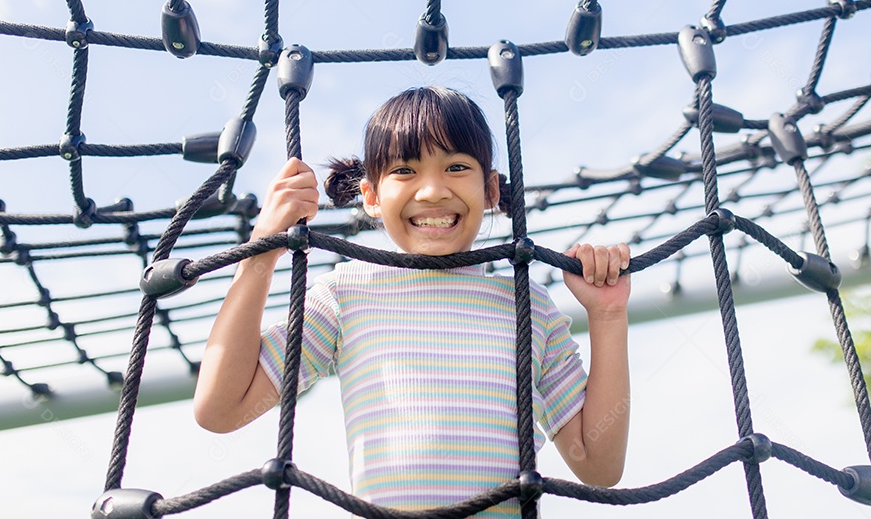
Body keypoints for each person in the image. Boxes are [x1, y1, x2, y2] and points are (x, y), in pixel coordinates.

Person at [193, 86, 631, 515]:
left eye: (457, 166)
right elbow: (221, 408)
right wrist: (259, 254)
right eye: (404, 171)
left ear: (491, 190)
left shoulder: (527, 307)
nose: (432, 191)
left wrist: (607, 316)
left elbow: (599, 465)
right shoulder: (347, 294)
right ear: (371, 198)